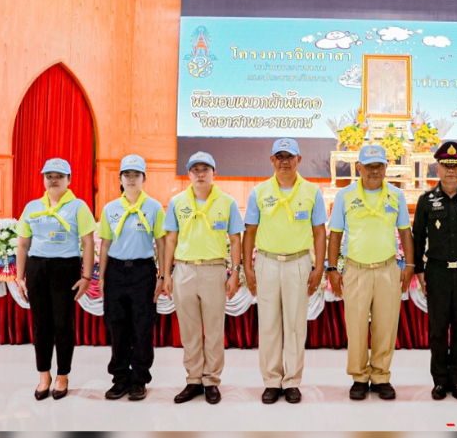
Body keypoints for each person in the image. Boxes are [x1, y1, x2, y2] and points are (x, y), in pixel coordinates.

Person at [242, 138, 327, 405]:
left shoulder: (312, 192)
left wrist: (319, 267)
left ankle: (291, 381)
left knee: (295, 326)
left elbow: (319, 232)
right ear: (272, 161)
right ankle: (271, 381)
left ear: (299, 160)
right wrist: (247, 268)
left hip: (298, 263)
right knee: (268, 325)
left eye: (289, 156)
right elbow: (250, 232)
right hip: (267, 262)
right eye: (280, 157)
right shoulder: (259, 192)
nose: (285, 162)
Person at [327, 145, 414, 401]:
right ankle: (359, 377)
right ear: (359, 168)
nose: (374, 171)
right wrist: (332, 268)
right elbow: (335, 234)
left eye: (379, 166)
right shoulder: (345, 196)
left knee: (385, 326)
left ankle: (380, 376)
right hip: (356, 270)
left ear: (386, 167)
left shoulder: (396, 195)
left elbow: (405, 232)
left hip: (387, 269)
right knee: (355, 327)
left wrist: (410, 265)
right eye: (369, 166)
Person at [161, 151, 245, 404]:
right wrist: (166, 274)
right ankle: (193, 379)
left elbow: (235, 240)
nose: (200, 174)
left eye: (205, 169)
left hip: (214, 270)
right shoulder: (177, 202)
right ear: (188, 174)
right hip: (184, 270)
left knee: (214, 329)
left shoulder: (227, 202)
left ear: (214, 173)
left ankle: (211, 380)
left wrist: (235, 272)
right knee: (189, 330)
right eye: (195, 169)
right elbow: (170, 239)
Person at [15, 158, 97, 400]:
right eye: (49, 176)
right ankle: (44, 375)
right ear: (43, 179)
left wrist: (86, 276)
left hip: (65, 268)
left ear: (68, 180)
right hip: (37, 268)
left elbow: (88, 243)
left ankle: (62, 375)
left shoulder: (78, 207)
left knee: (62, 323)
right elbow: (23, 244)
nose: (54, 180)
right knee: (40, 324)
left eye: (59, 176)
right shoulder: (32, 207)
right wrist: (20, 277)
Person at [412, 141, 457, 401]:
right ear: (438, 168)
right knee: (438, 329)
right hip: (437, 272)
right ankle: (440, 382)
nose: (451, 170)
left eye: (455, 166)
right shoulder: (426, 201)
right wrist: (419, 271)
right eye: (446, 165)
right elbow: (418, 238)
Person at [97, 155, 166, 401]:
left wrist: (162, 275)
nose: (131, 179)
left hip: (142, 272)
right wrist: (102, 277)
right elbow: (105, 244)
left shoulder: (154, 208)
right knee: (117, 326)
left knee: (142, 326)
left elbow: (161, 243)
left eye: (136, 174)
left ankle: (139, 380)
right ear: (120, 179)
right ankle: (120, 379)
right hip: (116, 272)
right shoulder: (110, 208)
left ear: (144, 178)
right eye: (127, 174)